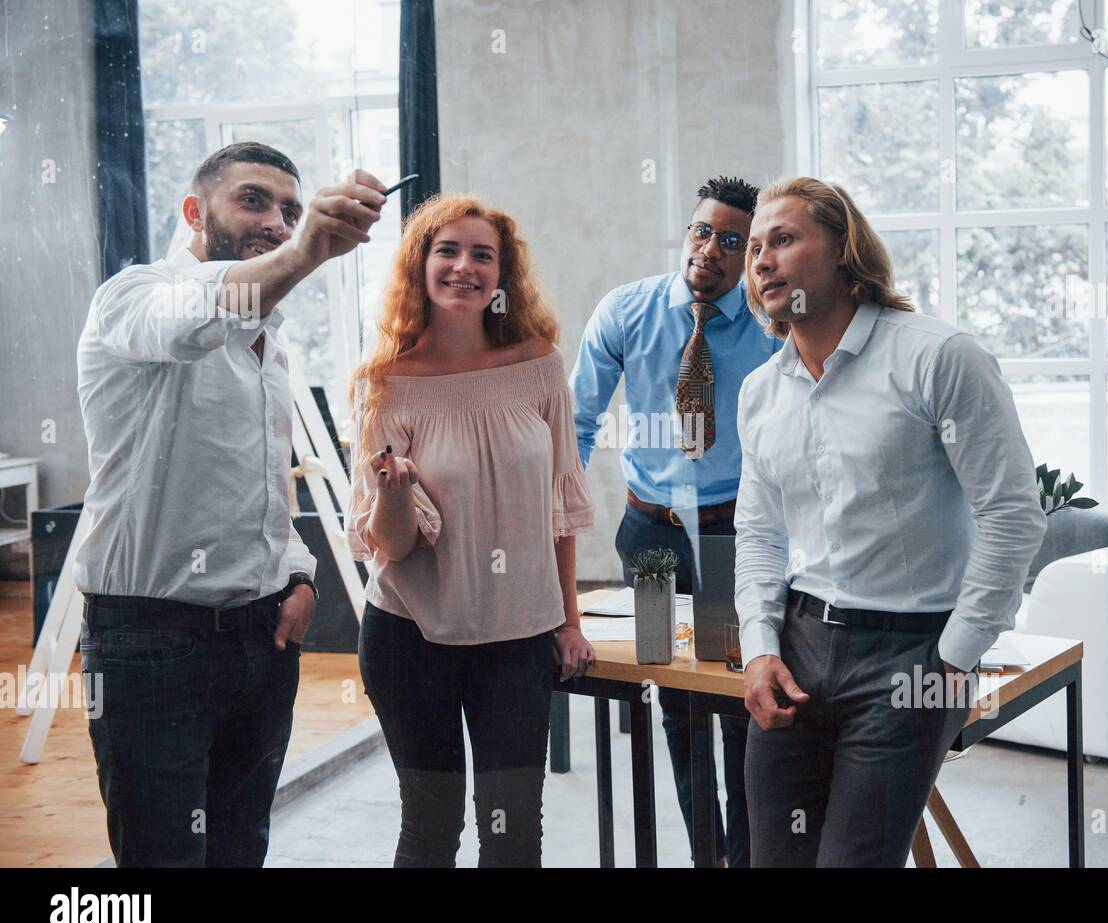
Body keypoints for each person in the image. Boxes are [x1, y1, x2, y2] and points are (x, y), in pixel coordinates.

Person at [75, 142, 388, 866]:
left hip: (262, 641)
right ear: (194, 211)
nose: (277, 220)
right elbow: (192, 318)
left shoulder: (271, 347)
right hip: (151, 643)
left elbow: (257, 482)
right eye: (253, 200)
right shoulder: (133, 297)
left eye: (289, 208)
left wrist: (301, 572)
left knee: (240, 848)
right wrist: (306, 252)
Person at [735, 176, 1048, 867]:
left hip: (912, 655)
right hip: (798, 646)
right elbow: (759, 531)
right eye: (755, 246)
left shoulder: (938, 357)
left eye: (783, 239)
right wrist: (759, 646)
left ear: (845, 249)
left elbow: (1012, 515)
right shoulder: (760, 392)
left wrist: (953, 657)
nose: (760, 259)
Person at [346, 193, 595, 868]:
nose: (464, 266)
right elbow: (390, 548)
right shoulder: (387, 383)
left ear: (502, 274)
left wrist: (568, 620)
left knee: (513, 836)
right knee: (431, 829)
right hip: (411, 637)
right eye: (446, 250)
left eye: (482, 254)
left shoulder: (539, 364)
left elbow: (561, 505)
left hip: (517, 637)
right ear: (419, 266)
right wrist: (393, 494)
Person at [569, 176, 778, 867]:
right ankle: (705, 855)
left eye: (730, 240)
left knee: (738, 702)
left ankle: (746, 856)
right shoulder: (628, 310)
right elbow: (577, 420)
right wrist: (556, 526)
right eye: (701, 230)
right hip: (651, 538)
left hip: (729, 540)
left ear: (748, 254)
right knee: (676, 702)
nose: (709, 249)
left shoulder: (770, 325)